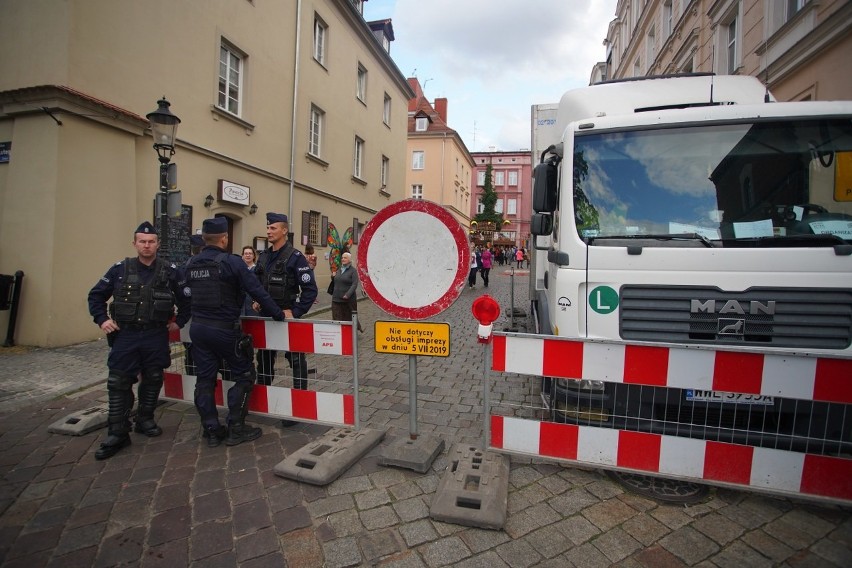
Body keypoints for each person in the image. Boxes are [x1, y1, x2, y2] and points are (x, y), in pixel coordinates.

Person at [87, 221, 190, 460]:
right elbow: (96, 295)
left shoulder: (170, 270)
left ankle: (145, 419)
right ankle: (117, 432)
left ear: (157, 244)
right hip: (126, 335)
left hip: (155, 334)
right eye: (142, 241)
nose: (146, 245)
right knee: (118, 382)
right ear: (135, 244)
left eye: (151, 241)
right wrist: (102, 320)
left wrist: (179, 321)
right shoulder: (120, 269)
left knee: (153, 378)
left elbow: (187, 299)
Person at [184, 217, 287, 447]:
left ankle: (211, 430)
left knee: (205, 379)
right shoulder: (232, 262)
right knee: (244, 375)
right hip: (224, 330)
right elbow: (257, 291)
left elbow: (183, 294)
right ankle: (236, 427)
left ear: (203, 239)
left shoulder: (191, 263)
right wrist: (278, 315)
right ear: (224, 238)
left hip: (198, 329)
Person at [253, 212, 318, 393]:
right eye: (267, 227)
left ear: (284, 230)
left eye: (273, 228)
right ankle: (265, 397)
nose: (268, 231)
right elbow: (256, 282)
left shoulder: (295, 257)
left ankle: (299, 397)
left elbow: (310, 290)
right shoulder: (264, 256)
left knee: (296, 358)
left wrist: (295, 312)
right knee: (264, 359)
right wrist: (257, 299)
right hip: (266, 317)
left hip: (286, 316)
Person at [331, 251, 363, 333]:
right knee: (336, 316)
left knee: (349, 317)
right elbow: (337, 281)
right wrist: (333, 276)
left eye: (345, 258)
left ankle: (352, 330)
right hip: (336, 298)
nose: (343, 259)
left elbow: (354, 284)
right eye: (342, 258)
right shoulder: (339, 269)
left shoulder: (353, 271)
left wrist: (348, 294)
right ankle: (338, 332)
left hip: (348, 299)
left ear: (349, 260)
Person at [240, 246, 257, 317]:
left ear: (254, 256)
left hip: (253, 303)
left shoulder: (257, 270)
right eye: (246, 253)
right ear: (243, 256)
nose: (248, 255)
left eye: (250, 253)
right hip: (240, 303)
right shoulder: (239, 269)